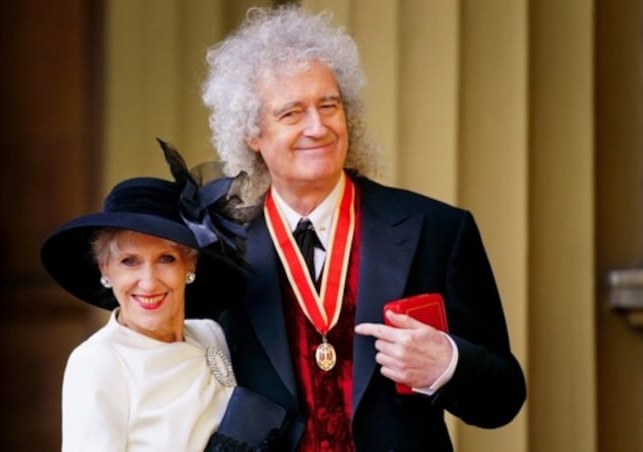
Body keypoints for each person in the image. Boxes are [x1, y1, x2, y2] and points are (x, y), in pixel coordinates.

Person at [201, 5, 526, 451]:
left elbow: (503, 398)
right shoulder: (214, 244)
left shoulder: (439, 230)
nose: (318, 127)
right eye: (292, 113)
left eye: (328, 106)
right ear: (252, 134)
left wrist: (446, 364)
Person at [41, 139, 286, 452]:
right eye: (129, 261)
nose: (148, 281)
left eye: (165, 259)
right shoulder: (97, 362)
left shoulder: (210, 335)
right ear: (105, 270)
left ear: (189, 263)